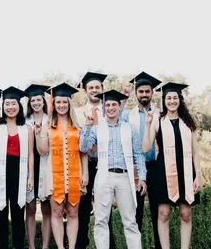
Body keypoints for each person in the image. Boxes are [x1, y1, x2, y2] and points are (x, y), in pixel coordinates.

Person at [80, 89, 147, 249]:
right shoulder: (96, 128)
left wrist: (142, 177)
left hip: (124, 177)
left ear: (119, 107)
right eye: (107, 104)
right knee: (101, 220)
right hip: (104, 176)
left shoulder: (129, 128)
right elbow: (83, 148)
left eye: (114, 104)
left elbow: (138, 154)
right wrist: (87, 127)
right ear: (103, 107)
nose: (110, 107)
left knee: (130, 221)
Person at [143, 82, 201, 249]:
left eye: (175, 97)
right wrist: (147, 125)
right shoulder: (157, 121)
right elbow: (146, 148)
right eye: (169, 98)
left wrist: (198, 174)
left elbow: (195, 152)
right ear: (164, 100)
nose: (172, 101)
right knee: (163, 213)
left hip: (186, 171)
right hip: (163, 171)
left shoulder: (188, 123)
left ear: (179, 100)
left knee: (186, 214)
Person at [36, 83, 88, 249]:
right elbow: (43, 152)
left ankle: (71, 247)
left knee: (73, 213)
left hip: (75, 173)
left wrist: (85, 173)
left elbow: (83, 152)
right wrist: (38, 135)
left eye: (64, 102)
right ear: (53, 104)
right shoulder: (47, 125)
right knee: (56, 212)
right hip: (54, 174)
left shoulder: (77, 125)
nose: (61, 105)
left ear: (69, 103)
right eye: (58, 102)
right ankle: (60, 246)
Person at [0, 86, 34, 249]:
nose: (10, 107)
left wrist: (31, 176)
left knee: (19, 212)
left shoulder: (27, 128)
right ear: (3, 107)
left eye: (13, 103)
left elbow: (31, 154)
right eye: (7, 104)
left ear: (19, 106)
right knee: (0, 213)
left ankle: (19, 246)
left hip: (19, 172)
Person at [74, 72, 116, 249]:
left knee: (105, 210)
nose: (94, 90)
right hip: (84, 165)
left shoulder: (110, 111)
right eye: (90, 87)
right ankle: (80, 244)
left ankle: (109, 246)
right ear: (85, 91)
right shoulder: (76, 112)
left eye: (97, 87)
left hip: (105, 164)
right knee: (82, 209)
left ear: (102, 89)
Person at [121, 72, 162, 249]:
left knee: (159, 211)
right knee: (136, 212)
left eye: (147, 91)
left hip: (156, 167)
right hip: (136, 168)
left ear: (152, 93)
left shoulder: (161, 114)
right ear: (136, 94)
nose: (144, 94)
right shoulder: (128, 116)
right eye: (141, 91)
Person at [23, 84, 52, 249]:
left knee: (47, 208)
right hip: (29, 168)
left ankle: (46, 246)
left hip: (47, 166)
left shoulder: (50, 119)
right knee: (31, 208)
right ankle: (32, 246)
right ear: (29, 103)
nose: (35, 102)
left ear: (43, 101)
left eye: (38, 99)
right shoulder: (25, 122)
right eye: (32, 100)